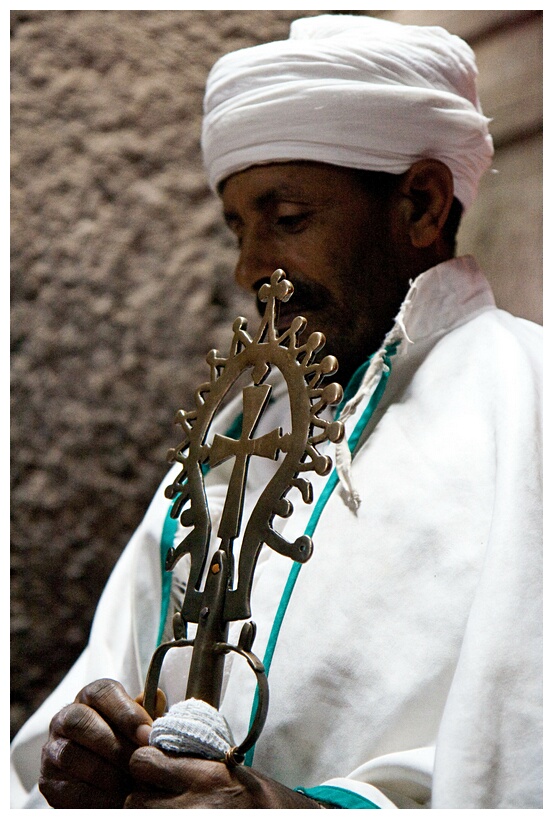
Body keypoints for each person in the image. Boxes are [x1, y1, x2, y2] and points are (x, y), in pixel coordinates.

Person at [11, 14, 542, 809]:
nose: (248, 267)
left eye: (286, 219)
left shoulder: (527, 403)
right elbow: (101, 681)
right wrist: (76, 754)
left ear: (421, 205)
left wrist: (287, 809)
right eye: (237, 226)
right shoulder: (234, 437)